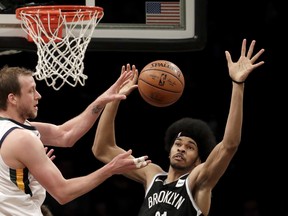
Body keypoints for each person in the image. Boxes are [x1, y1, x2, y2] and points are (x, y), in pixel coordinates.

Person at [92, 39, 265, 216]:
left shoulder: (197, 182)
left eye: (190, 147)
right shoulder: (152, 175)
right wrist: (115, 99)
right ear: (169, 149)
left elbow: (229, 145)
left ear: (199, 160)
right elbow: (103, 150)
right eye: (178, 143)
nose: (181, 149)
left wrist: (238, 85)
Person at [0, 65, 150, 216]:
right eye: (31, 90)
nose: (38, 95)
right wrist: (111, 168)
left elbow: (64, 135)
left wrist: (102, 100)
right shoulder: (21, 138)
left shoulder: (13, 130)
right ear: (12, 98)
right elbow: (63, 192)